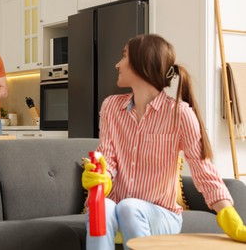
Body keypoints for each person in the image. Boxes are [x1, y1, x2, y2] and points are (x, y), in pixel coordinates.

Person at [82, 34, 246, 250]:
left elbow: (203, 170)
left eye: (123, 57)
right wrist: (102, 177)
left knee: (129, 208)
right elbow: (108, 157)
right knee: (101, 208)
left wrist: (229, 216)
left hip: (162, 214)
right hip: (118, 207)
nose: (117, 64)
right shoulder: (111, 107)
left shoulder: (179, 114)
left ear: (143, 65)